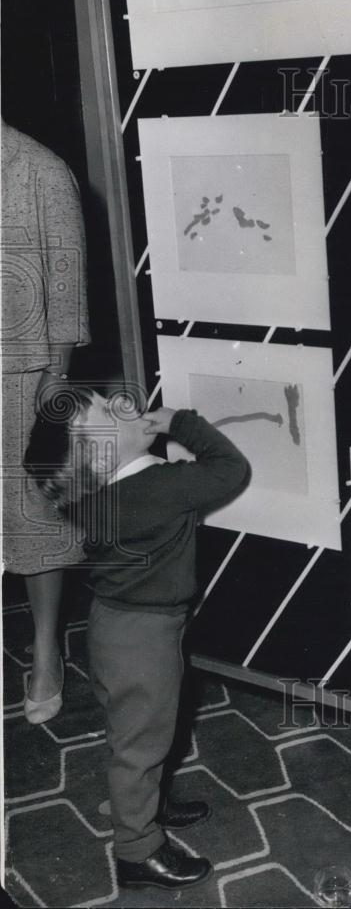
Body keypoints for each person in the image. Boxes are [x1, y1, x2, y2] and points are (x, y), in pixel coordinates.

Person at [23, 388, 251, 889]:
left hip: (112, 628)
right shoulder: (160, 488)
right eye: (108, 410)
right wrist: (179, 423)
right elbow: (232, 468)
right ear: (103, 453)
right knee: (140, 745)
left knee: (136, 732)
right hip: (144, 638)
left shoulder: (91, 498)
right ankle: (136, 849)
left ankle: (151, 803)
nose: (121, 403)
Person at [1, 120, 90, 723]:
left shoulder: (42, 171)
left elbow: (67, 285)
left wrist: (56, 377)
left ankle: (46, 650)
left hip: (14, 362)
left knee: (17, 505)